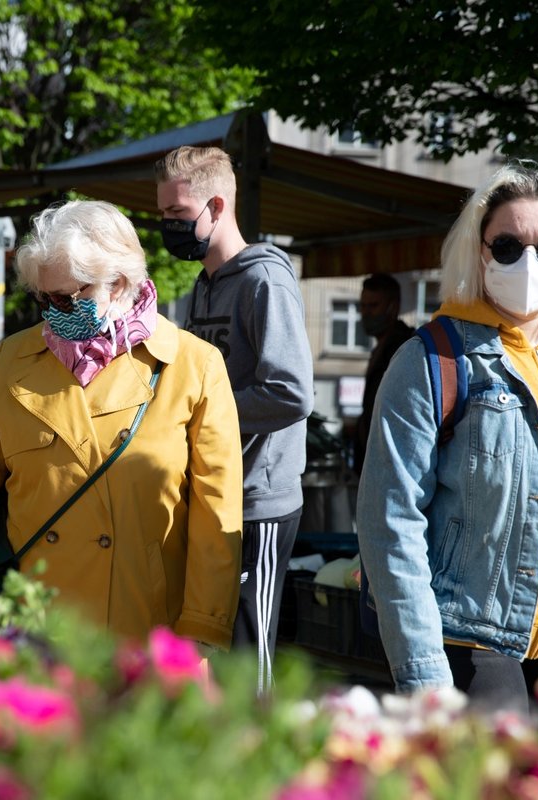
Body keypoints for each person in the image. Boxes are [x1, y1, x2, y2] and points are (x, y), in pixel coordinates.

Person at [355, 162, 538, 715]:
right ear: (480, 250)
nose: (528, 261)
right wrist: (425, 678)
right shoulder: (430, 359)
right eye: (507, 245)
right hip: (471, 645)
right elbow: (389, 521)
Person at [0, 200, 244, 655]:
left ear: (121, 282)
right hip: (33, 629)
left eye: (70, 298)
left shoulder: (195, 365)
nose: (56, 311)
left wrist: (204, 630)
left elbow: (217, 515)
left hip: (144, 633)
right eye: (45, 298)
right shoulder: (11, 360)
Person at [156, 146, 315, 692]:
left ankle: (261, 769)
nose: (167, 228)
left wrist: (201, 410)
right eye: (163, 216)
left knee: (248, 656)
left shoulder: (264, 280)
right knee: (209, 647)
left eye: (177, 216)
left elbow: (291, 393)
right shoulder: (202, 286)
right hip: (211, 492)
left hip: (257, 500)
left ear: (217, 206)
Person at [353, 273, 415, 476]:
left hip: (392, 466)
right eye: (363, 306)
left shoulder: (405, 349)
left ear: (393, 307)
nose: (366, 313)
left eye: (373, 306)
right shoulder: (381, 348)